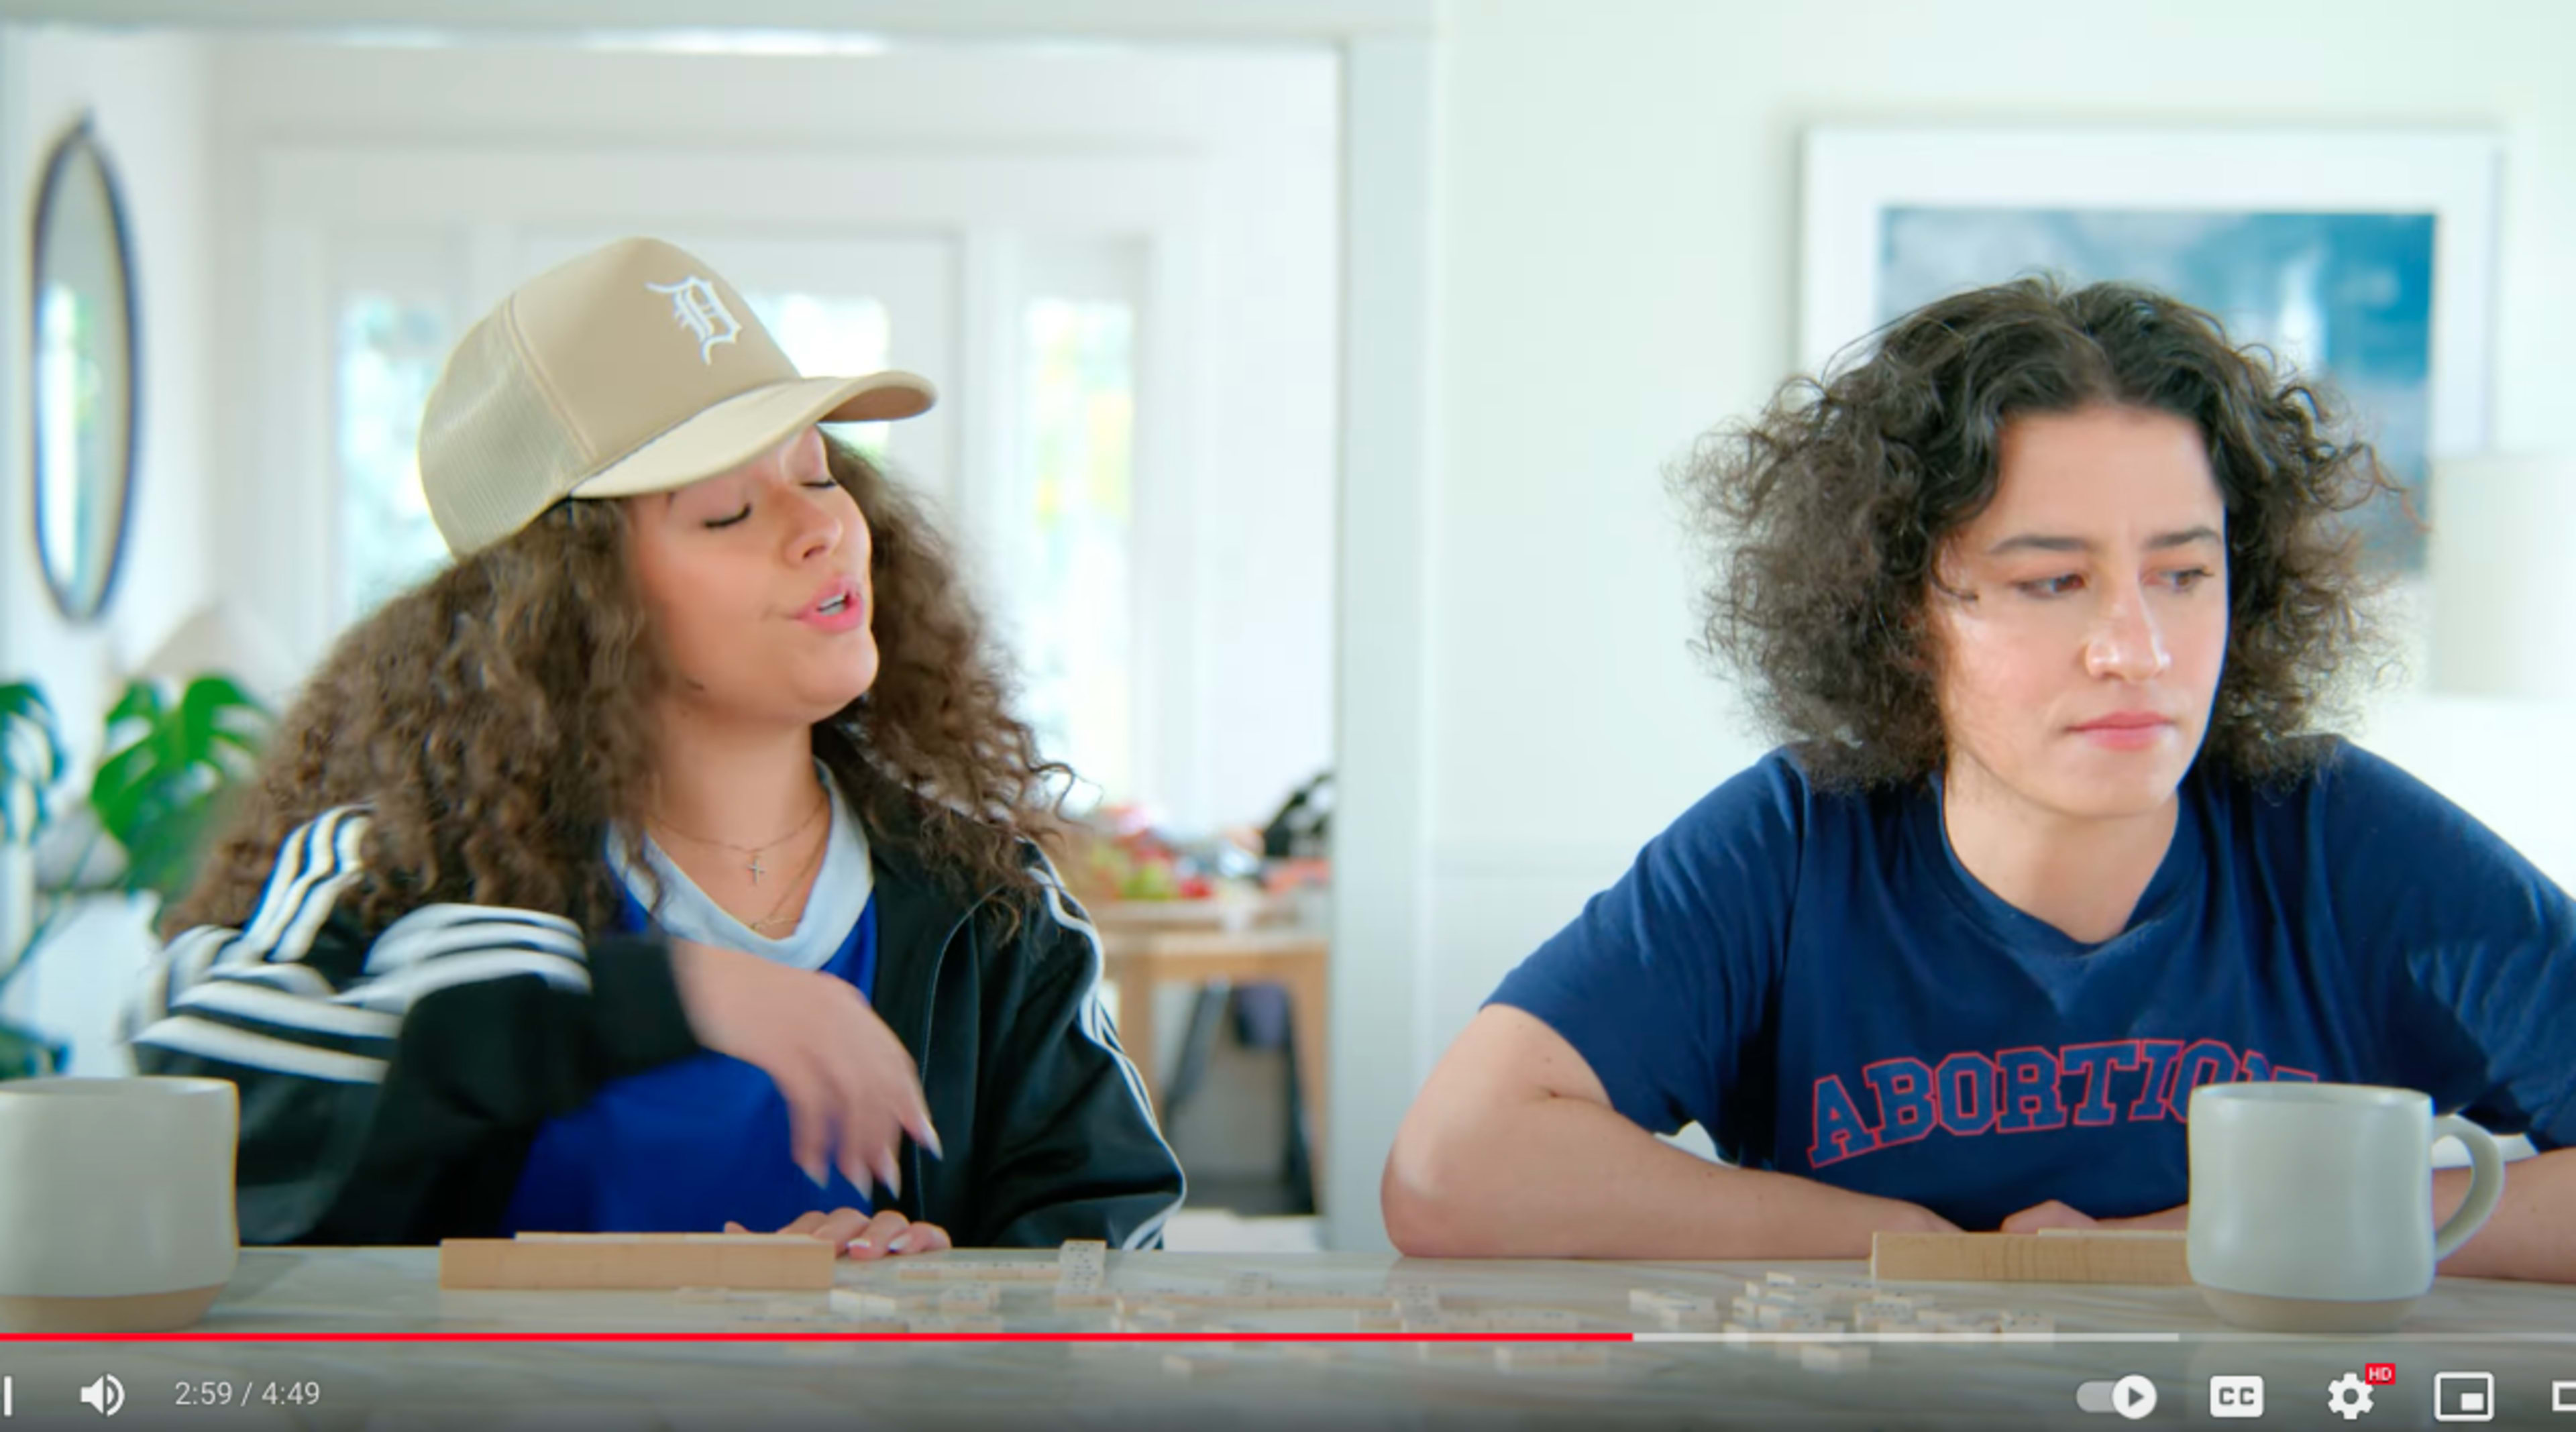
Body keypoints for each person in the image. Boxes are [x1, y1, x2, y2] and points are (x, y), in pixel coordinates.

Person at [1383, 278, 2575, 1277]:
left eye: (2183, 575)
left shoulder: (2333, 835)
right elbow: (1454, 1172)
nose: (2138, 649)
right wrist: (1925, 1250)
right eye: (2051, 582)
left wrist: (2208, 1244)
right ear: (1903, 619)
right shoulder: (1800, 842)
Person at [126, 237, 1184, 1259]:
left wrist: (934, 1282)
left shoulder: (989, 909)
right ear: (569, 611)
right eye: (726, 511)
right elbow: (211, 1112)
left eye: (818, 476)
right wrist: (670, 996)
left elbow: (1104, 1236)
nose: (822, 529)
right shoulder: (399, 872)